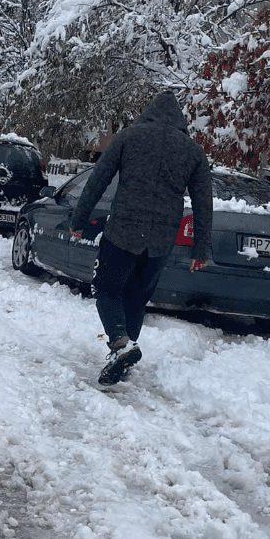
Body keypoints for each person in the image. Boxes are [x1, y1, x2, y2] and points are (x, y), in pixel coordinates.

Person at [69, 91, 212, 386]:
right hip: (161, 239)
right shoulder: (193, 151)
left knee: (106, 288)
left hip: (123, 231)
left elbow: (99, 178)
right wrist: (201, 248)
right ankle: (123, 355)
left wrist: (79, 219)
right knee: (136, 299)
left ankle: (121, 343)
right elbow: (203, 202)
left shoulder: (128, 137)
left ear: (148, 113)